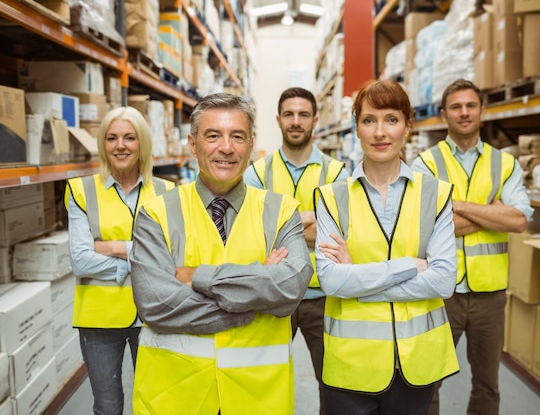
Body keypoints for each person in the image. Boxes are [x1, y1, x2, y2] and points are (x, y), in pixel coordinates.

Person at [129, 93, 313, 415]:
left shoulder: (281, 210)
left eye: (237, 136)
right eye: (212, 136)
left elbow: (289, 288)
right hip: (176, 394)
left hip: (257, 397)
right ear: (192, 143)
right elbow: (155, 303)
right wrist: (255, 298)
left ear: (251, 144)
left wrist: (195, 276)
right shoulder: (156, 214)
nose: (226, 147)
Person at [314, 79, 460, 415]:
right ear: (357, 129)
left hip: (416, 363)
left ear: (408, 126)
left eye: (391, 120)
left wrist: (357, 280)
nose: (380, 132)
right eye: (369, 120)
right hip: (351, 364)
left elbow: (443, 281)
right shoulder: (332, 198)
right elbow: (333, 281)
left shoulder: (434, 194)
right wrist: (410, 265)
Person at [411, 78, 533, 415]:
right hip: (440, 293)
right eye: (456, 107)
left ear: (482, 111)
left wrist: (457, 206)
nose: (464, 113)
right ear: (443, 114)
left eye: (470, 106)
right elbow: (425, 227)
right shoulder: (426, 164)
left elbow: (519, 221)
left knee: (487, 385)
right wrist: (492, 212)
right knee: (427, 380)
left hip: (489, 297)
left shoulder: (504, 164)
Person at [243, 87, 349, 413]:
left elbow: (343, 236)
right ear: (278, 120)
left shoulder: (337, 174)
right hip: (273, 298)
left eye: (303, 114)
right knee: (264, 382)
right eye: (289, 114)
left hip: (324, 298)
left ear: (315, 120)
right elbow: (250, 236)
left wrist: (280, 229)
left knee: (334, 386)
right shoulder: (257, 173)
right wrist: (310, 222)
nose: (296, 121)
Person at [64, 106, 175, 415]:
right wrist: (139, 256)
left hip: (154, 315)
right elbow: (81, 261)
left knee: (155, 403)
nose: (120, 146)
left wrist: (114, 248)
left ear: (142, 143)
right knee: (108, 406)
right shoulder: (82, 190)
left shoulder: (167, 191)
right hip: (99, 320)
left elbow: (171, 258)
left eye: (129, 137)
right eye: (111, 138)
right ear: (103, 144)